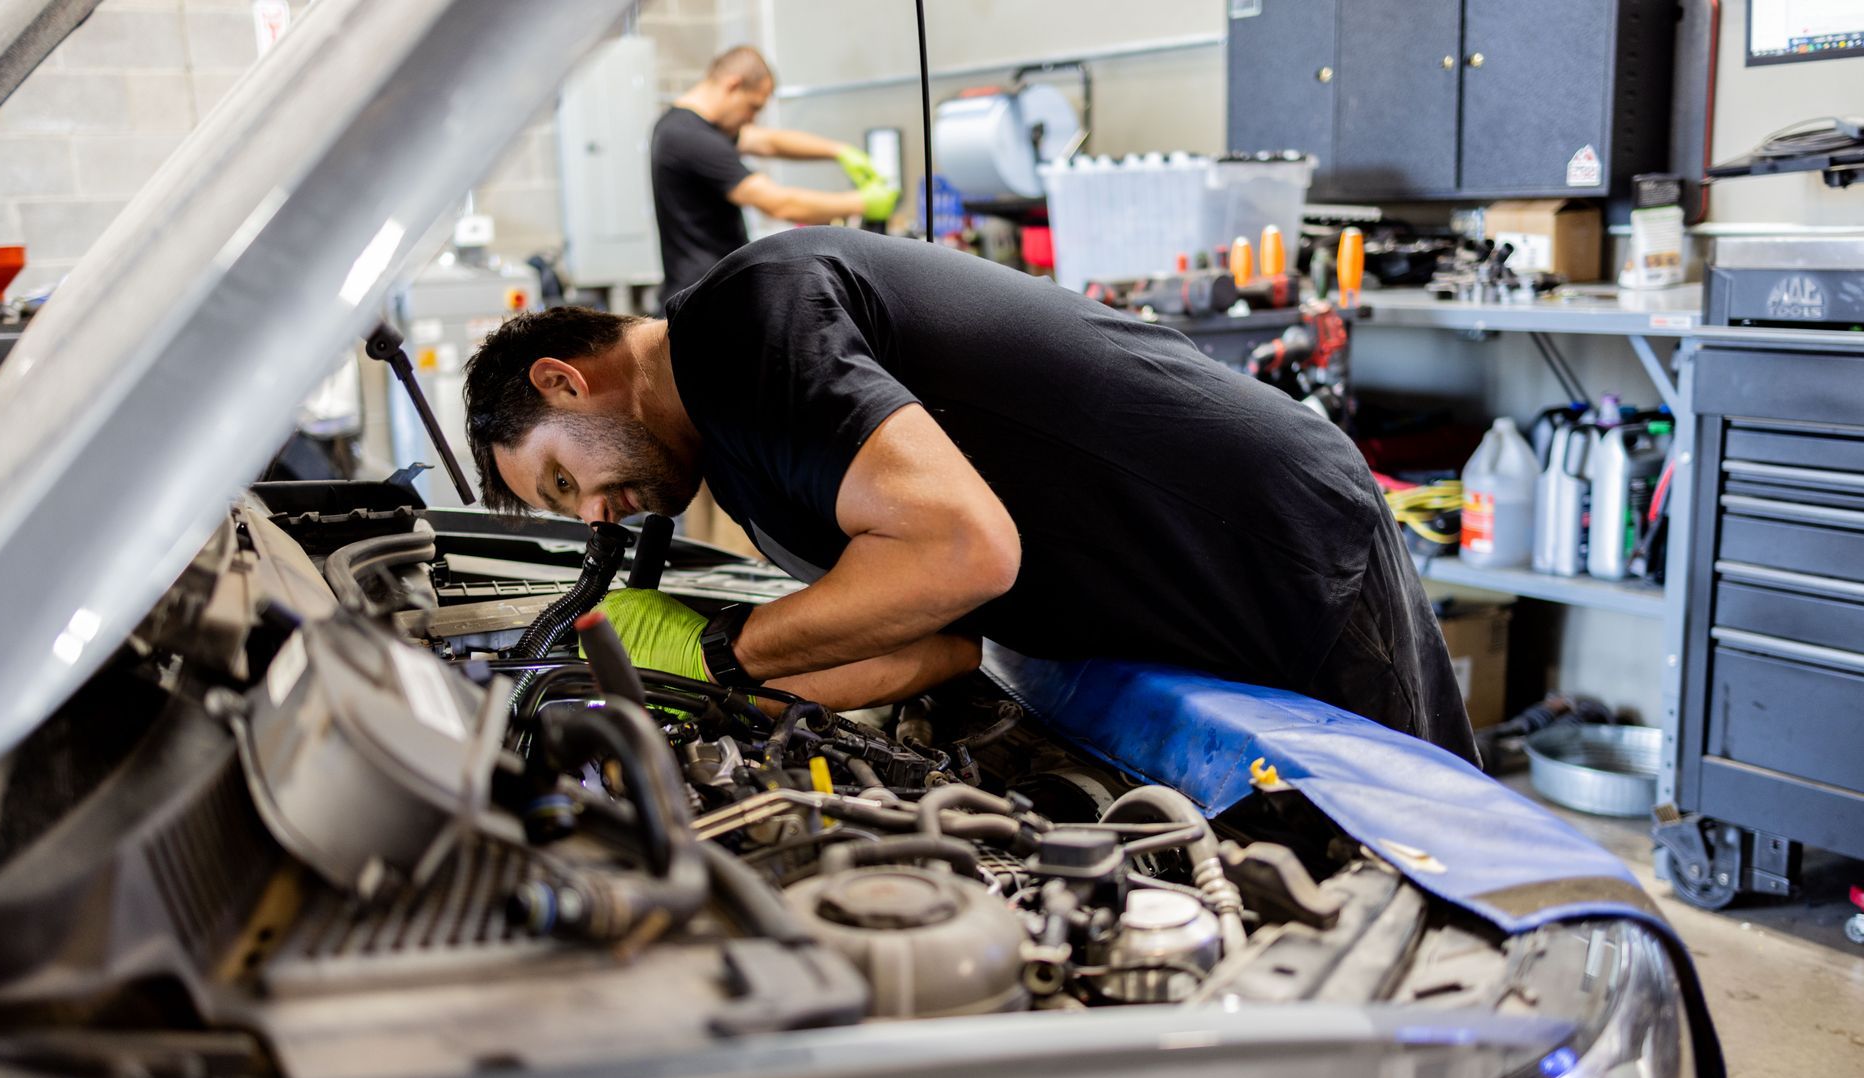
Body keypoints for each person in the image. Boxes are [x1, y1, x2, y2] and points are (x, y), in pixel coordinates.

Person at [461, 227, 1478, 762]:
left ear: (564, 379)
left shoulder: (744, 321)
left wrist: (726, 650)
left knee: (1419, 859)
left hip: (1270, 537)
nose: (596, 514)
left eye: (564, 481)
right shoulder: (746, 469)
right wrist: (692, 695)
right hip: (1165, 605)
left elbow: (965, 552)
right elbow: (935, 643)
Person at [651, 45, 898, 304]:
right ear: (732, 86)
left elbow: (769, 142)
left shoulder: (682, 126)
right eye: (753, 107)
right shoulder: (691, 138)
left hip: (704, 288)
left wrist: (840, 151)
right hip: (703, 296)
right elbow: (779, 203)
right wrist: (862, 202)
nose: (752, 119)